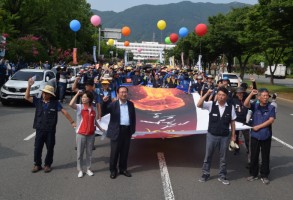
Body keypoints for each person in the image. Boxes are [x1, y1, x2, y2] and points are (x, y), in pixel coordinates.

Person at [24, 79, 75, 173]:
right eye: (44, 93)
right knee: (37, 147)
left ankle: (47, 165)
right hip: (39, 129)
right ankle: (37, 164)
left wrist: (72, 122)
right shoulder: (38, 101)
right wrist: (29, 85)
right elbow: (26, 97)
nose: (44, 95)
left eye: (47, 93)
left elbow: (64, 112)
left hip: (50, 130)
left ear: (51, 95)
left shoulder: (55, 103)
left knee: (50, 147)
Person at [197, 87, 236, 185]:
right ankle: (205, 173)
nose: (221, 97)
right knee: (208, 155)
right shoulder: (211, 104)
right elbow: (199, 104)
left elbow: (233, 122)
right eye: (219, 94)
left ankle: (222, 175)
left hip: (224, 136)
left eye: (223, 95)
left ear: (226, 96)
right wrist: (206, 94)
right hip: (212, 135)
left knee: (223, 157)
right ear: (216, 95)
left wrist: (233, 136)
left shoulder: (230, 107)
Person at [69, 90, 105, 178]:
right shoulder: (79, 107)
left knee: (89, 153)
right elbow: (70, 104)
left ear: (89, 99)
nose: (83, 99)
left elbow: (94, 120)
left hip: (91, 134)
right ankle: (80, 170)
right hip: (81, 133)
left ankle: (88, 169)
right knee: (80, 153)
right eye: (83, 97)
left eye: (85, 97)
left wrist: (100, 128)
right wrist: (77, 94)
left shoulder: (93, 109)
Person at [244, 88, 276, 185]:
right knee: (254, 156)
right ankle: (253, 174)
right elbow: (245, 104)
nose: (266, 98)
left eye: (267, 96)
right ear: (259, 97)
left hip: (266, 135)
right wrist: (250, 94)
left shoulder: (271, 107)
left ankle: (264, 175)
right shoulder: (255, 105)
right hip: (254, 135)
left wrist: (259, 126)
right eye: (264, 96)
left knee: (265, 156)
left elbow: (271, 120)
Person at [106, 86, 136, 179]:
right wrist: (105, 102)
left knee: (125, 151)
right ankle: (113, 170)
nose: (124, 94)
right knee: (114, 152)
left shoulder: (131, 104)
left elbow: (133, 117)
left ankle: (123, 169)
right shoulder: (113, 104)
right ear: (118, 93)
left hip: (127, 130)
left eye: (125, 92)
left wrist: (132, 129)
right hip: (116, 130)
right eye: (122, 92)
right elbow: (104, 111)